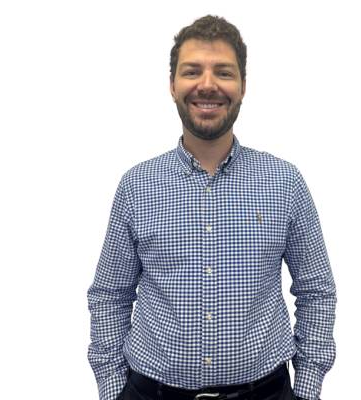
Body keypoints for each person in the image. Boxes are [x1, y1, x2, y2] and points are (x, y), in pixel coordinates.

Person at [88, 15, 336, 400]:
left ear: (243, 87)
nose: (207, 84)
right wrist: (111, 388)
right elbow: (110, 294)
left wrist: (306, 388)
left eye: (223, 72)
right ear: (172, 85)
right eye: (192, 71)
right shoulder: (136, 186)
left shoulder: (285, 182)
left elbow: (316, 290)